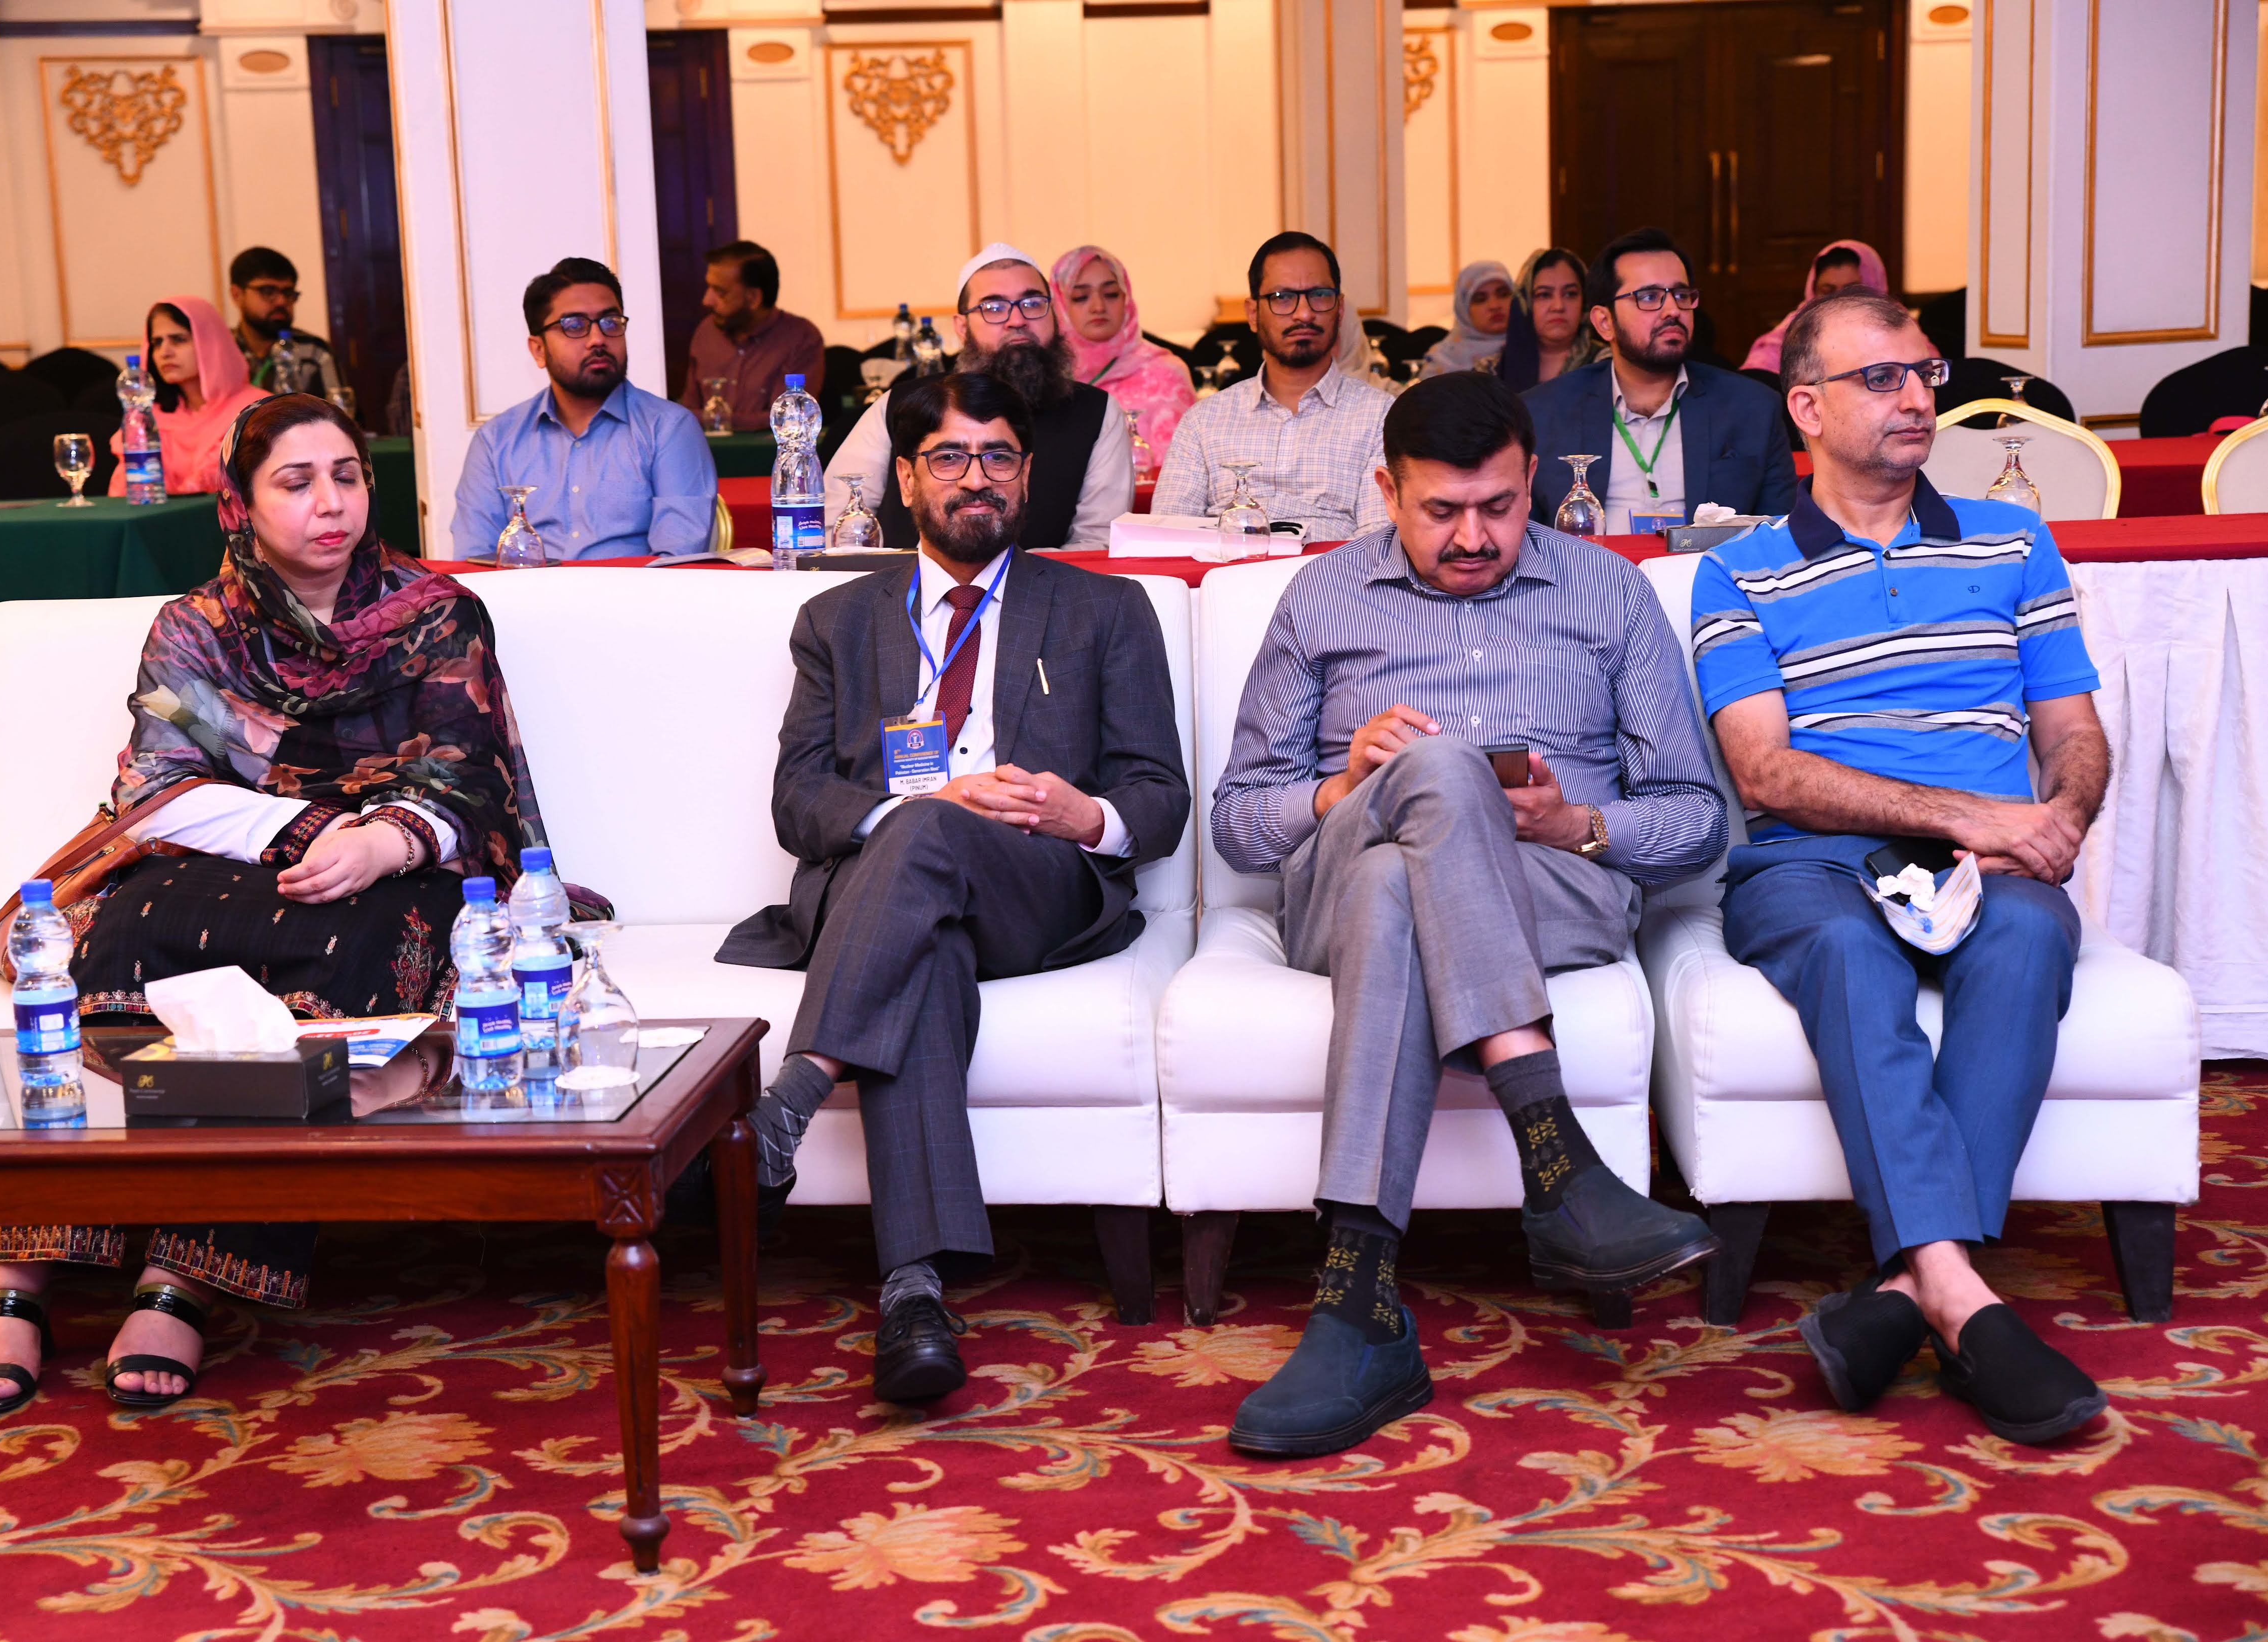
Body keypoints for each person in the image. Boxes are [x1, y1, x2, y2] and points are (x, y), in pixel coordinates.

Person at [0, 393, 596, 1419]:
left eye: (346, 477)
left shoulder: (437, 615)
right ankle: (20, 1262)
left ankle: (182, 1276)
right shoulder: (197, 629)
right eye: (296, 484)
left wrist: (383, 842)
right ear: (240, 505)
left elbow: (467, 784)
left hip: (392, 872)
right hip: (237, 859)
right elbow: (160, 788)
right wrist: (311, 831)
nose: (329, 504)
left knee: (361, 954)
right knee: (123, 938)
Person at [1210, 372, 1727, 1456]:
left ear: (1532, 478)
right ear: (1386, 491)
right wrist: (1343, 785)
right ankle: (1558, 1164)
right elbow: (1239, 826)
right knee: (1432, 781)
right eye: (1440, 511)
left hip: (1550, 885)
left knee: (1396, 885)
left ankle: (1356, 1306)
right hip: (1334, 883)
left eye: (1497, 506)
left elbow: (1695, 820)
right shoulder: (1319, 596)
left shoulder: (1608, 593)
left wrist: (1574, 821)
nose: (1473, 538)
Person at [712, 372, 1189, 1404]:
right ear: (905, 477)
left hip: (1036, 884)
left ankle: (792, 1096)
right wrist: (917, 807)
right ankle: (914, 1297)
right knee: (925, 934)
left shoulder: (1107, 610)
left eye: (999, 456)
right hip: (888, 894)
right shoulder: (837, 620)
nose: (977, 478)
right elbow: (799, 802)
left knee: (931, 831)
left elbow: (1160, 798)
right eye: (950, 458)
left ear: (1028, 474)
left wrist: (1084, 815)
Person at [1691, 290, 2113, 1446]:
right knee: (1842, 950)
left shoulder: (2012, 540)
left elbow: (2072, 732)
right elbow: (1766, 774)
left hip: (1991, 864)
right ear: (1805, 407)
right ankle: (1962, 1294)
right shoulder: (1737, 572)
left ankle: (1911, 1286)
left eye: (1924, 372)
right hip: (1810, 863)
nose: (1917, 396)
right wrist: (1976, 813)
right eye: (1880, 377)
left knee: (2026, 933)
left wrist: (2058, 817)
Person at [825, 243, 1134, 550]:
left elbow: (1098, 543)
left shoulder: (1097, 413)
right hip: (905, 581)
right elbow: (836, 524)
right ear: (962, 327)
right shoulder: (901, 403)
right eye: (994, 308)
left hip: (1046, 583)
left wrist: (1012, 579)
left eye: (1032, 304)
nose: (1017, 320)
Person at [1522, 228, 1798, 533]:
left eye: (1682, 296)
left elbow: (1781, 533)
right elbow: (1528, 536)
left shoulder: (1752, 408)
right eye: (1649, 297)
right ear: (1605, 322)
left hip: (1709, 565)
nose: (1673, 311)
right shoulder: (1544, 414)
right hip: (1590, 564)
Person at [453, 256, 717, 561]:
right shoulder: (496, 441)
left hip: (637, 591)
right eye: (575, 326)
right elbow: (476, 559)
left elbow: (677, 561)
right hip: (525, 593)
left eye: (611, 323)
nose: (598, 339)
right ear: (539, 350)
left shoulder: (669, 428)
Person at [1154, 232, 1393, 542]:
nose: (1304, 314)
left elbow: (1380, 542)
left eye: (1320, 295)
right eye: (1283, 298)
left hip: (1331, 572)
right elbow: (1166, 541)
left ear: (1340, 309)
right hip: (1223, 569)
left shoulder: (1381, 417)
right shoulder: (1203, 422)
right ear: (1253, 314)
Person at [1050, 243, 1197, 473]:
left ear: (1126, 299)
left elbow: (1185, 473)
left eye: (1111, 294)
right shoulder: (1046, 376)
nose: (1098, 307)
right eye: (1081, 297)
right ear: (1059, 305)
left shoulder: (1165, 374)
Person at [110, 295, 269, 498]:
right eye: (157, 343)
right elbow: (123, 495)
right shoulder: (150, 419)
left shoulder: (256, 410)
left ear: (212, 344)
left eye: (179, 340)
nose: (165, 352)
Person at [679, 239, 825, 433]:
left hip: (767, 451)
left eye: (720, 292)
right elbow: (686, 413)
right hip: (706, 449)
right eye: (709, 288)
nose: (707, 300)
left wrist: (717, 420)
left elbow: (788, 419)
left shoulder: (802, 338)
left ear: (754, 298)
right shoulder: (706, 332)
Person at [1741, 240, 1888, 376]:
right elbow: (1759, 372)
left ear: (1874, 287)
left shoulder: (1895, 328)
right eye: (1827, 291)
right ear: (1813, 291)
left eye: (1851, 290)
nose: (1838, 300)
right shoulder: (1797, 329)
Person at [228, 246, 343, 399]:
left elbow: (339, 411)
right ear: (237, 295)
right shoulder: (219, 351)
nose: (281, 302)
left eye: (288, 293)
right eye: (268, 292)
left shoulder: (314, 352)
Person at [1491, 248, 1600, 392]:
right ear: (1526, 303)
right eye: (1544, 295)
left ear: (1585, 302)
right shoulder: (1492, 371)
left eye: (1570, 294)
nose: (1558, 306)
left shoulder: (1608, 365)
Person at [1418, 260, 1516, 375]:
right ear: (1463, 309)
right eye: (1480, 299)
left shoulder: (1531, 348)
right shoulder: (1443, 361)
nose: (1495, 306)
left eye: (1503, 294)